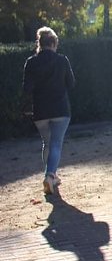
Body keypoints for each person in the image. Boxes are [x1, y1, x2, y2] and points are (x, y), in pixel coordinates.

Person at [22, 27, 75, 195]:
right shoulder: (62, 60)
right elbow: (71, 83)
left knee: (47, 143)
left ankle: (52, 174)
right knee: (56, 143)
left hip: (40, 111)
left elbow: (26, 89)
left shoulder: (31, 62)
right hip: (60, 109)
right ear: (53, 43)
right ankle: (50, 175)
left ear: (40, 43)